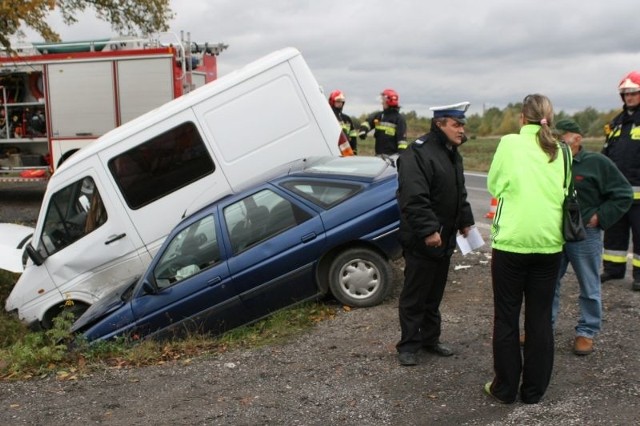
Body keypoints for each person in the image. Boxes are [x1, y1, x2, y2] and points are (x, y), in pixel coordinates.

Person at [485, 94, 564, 404]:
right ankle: (533, 391)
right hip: (549, 243)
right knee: (540, 319)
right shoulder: (563, 151)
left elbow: (494, 185)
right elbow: (566, 190)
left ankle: (504, 388)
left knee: (506, 317)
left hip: (512, 243)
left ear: (522, 118)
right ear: (549, 117)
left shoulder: (509, 144)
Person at [395, 101, 475, 366]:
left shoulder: (452, 153)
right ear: (439, 124)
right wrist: (429, 230)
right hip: (423, 239)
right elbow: (414, 197)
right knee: (415, 294)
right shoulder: (417, 154)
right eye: (456, 124)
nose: (461, 130)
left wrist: (466, 221)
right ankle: (408, 345)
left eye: (462, 124)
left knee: (434, 293)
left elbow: (458, 193)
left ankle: (430, 339)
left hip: (446, 237)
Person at [552, 118, 633, 356]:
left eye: (562, 136)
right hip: (554, 234)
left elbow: (623, 194)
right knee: (547, 285)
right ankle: (543, 328)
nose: (557, 141)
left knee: (589, 285)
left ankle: (586, 331)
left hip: (584, 235)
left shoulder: (597, 163)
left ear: (577, 138)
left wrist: (599, 218)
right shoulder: (551, 163)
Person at [601, 71, 640, 291]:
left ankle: (639, 276)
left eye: (633, 93)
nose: (629, 98)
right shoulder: (616, 123)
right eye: (626, 94)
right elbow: (606, 154)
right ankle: (613, 269)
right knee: (614, 234)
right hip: (616, 194)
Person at [358, 89, 407, 157]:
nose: (382, 102)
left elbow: (402, 142)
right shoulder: (380, 116)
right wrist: (363, 130)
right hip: (379, 156)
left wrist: (401, 157)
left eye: (383, 100)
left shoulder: (399, 119)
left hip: (392, 158)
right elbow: (369, 122)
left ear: (388, 101)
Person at [328, 90, 358, 154]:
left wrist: (354, 149)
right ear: (332, 102)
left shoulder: (347, 119)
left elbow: (353, 135)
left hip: (346, 150)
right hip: (333, 149)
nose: (340, 103)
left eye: (341, 102)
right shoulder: (328, 117)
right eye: (338, 101)